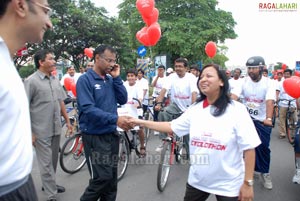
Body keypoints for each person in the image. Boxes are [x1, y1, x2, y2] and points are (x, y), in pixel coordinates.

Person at [130, 63, 261, 201]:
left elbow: (249, 148)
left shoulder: (237, 110)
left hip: (228, 185)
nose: (203, 79)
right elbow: (171, 126)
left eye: (209, 76)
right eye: (202, 76)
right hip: (198, 181)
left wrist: (248, 183)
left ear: (222, 81)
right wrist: (140, 122)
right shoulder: (195, 108)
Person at [0, 0, 52, 200]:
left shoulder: (7, 59)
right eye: (45, 11)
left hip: (21, 184)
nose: (49, 23)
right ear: (21, 6)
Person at [76, 44, 131, 201]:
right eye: (109, 60)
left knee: (112, 180)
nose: (112, 64)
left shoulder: (109, 79)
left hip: (111, 135)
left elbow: (123, 99)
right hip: (94, 136)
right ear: (97, 58)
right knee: (102, 178)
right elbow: (88, 109)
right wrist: (116, 119)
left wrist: (117, 78)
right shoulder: (85, 80)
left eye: (114, 61)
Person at [24, 49, 72, 201]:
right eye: (51, 59)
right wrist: (30, 132)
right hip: (40, 130)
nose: (54, 61)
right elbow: (23, 107)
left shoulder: (54, 79)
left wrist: (68, 121)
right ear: (41, 62)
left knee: (52, 160)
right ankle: (51, 194)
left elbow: (61, 102)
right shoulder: (31, 81)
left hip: (55, 127)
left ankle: (49, 184)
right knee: (45, 164)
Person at [231, 56, 276, 190]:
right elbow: (234, 96)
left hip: (262, 120)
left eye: (254, 68)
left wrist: (268, 118)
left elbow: (269, 101)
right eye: (249, 68)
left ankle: (265, 173)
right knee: (240, 146)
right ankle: (241, 173)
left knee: (263, 148)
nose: (251, 71)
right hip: (245, 119)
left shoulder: (269, 83)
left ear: (261, 68)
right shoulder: (243, 82)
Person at [154, 58, 198, 153]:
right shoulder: (171, 77)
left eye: (180, 66)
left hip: (189, 108)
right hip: (175, 105)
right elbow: (164, 90)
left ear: (186, 68)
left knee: (188, 138)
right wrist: (158, 103)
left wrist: (193, 110)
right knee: (163, 113)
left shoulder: (191, 78)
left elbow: (194, 93)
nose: (178, 68)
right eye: (176, 66)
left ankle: (191, 158)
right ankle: (165, 138)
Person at [122, 68, 146, 156]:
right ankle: (124, 147)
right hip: (125, 110)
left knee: (140, 129)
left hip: (136, 110)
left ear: (136, 77)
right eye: (128, 76)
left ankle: (142, 146)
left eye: (132, 76)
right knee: (122, 129)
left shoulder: (139, 86)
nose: (130, 78)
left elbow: (140, 97)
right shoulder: (124, 84)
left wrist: (138, 102)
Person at [276, 69, 298, 138]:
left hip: (292, 103)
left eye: (288, 74)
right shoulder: (280, 83)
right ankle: (282, 133)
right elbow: (277, 92)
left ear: (291, 75)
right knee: (281, 118)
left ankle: (294, 132)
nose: (286, 75)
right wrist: (276, 99)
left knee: (295, 118)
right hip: (283, 103)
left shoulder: (294, 82)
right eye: (285, 74)